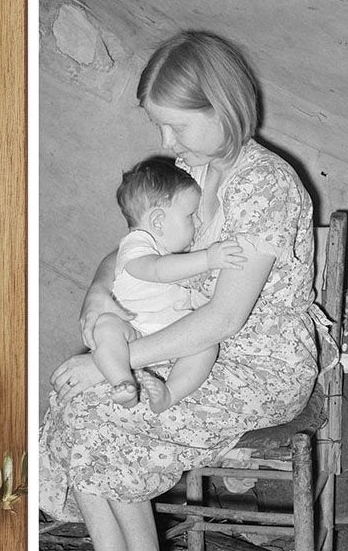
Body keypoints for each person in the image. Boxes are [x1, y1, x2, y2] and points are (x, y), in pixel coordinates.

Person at [39, 30, 318, 551]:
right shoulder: (189, 172)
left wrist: (125, 359)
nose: (166, 145)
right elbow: (134, 249)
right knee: (78, 402)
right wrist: (98, 296)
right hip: (183, 343)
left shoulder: (266, 186)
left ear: (223, 107)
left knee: (114, 411)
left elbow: (225, 318)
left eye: (176, 127)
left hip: (255, 362)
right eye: (159, 129)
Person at [91, 157, 244, 412]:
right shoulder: (136, 245)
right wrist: (208, 259)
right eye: (190, 216)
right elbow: (157, 271)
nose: (197, 224)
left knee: (207, 346)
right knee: (105, 328)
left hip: (170, 331)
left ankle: (170, 393)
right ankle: (122, 383)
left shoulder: (174, 254)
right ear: (158, 222)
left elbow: (189, 295)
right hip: (132, 327)